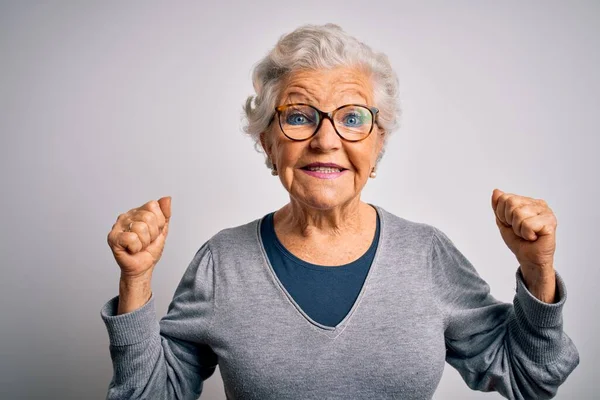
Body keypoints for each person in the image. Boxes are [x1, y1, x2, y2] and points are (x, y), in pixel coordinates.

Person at [101, 23, 579, 399]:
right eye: (299, 116)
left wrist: (538, 271)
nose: (326, 140)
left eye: (352, 118)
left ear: (378, 142)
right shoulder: (222, 262)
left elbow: (529, 378)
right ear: (268, 142)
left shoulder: (427, 254)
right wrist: (136, 281)